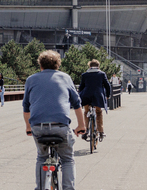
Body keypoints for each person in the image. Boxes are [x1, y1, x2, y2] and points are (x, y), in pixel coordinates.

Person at [23, 50, 86, 190]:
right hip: (60, 126)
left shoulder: (31, 79)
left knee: (42, 157)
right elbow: (77, 104)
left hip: (38, 127)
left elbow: (26, 107)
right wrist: (81, 126)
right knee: (67, 159)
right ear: (58, 65)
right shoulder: (65, 77)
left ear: (40, 65)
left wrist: (28, 127)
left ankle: (41, 187)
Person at [78, 59, 111, 140]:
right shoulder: (101, 74)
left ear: (89, 66)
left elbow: (81, 87)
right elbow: (107, 85)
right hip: (97, 96)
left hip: (86, 96)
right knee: (99, 112)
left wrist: (79, 96)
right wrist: (108, 95)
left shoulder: (84, 75)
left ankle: (85, 131)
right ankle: (101, 132)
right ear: (98, 66)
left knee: (86, 112)